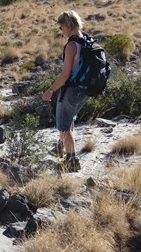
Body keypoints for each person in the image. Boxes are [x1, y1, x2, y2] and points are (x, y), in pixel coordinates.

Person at [41, 10, 90, 172]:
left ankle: (71, 160)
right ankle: (63, 149)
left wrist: (50, 91)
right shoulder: (86, 40)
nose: (60, 30)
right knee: (69, 121)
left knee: (63, 126)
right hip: (85, 90)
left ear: (67, 25)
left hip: (72, 90)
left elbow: (65, 74)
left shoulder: (71, 45)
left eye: (61, 26)